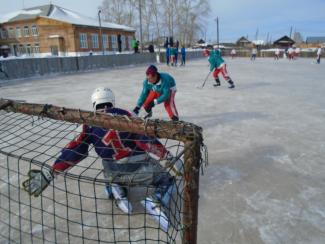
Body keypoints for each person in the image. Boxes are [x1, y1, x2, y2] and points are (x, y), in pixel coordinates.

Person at [22, 87, 181, 231]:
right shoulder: (127, 115)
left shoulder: (88, 122)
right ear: (112, 101)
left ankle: (115, 187)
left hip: (112, 171)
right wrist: (167, 156)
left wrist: (51, 172)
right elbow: (145, 140)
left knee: (107, 166)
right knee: (167, 180)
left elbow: (75, 151)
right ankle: (156, 199)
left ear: (94, 104)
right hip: (138, 168)